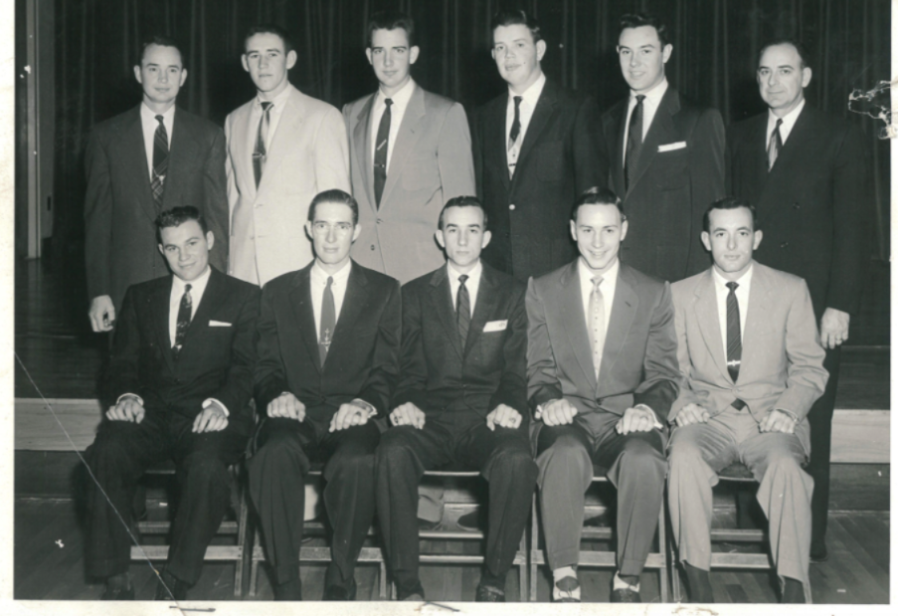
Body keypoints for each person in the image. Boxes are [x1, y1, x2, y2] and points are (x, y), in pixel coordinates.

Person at [728, 39, 867, 561]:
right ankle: (754, 537)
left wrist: (841, 305)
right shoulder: (741, 136)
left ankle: (807, 542)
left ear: (806, 76)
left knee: (812, 419)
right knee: (754, 410)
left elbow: (855, 231)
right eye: (764, 72)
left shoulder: (839, 135)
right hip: (754, 302)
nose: (773, 81)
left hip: (814, 309)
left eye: (784, 71)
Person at [84, 206, 259, 601]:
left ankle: (177, 576)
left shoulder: (244, 297)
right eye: (173, 247)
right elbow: (121, 365)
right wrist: (126, 396)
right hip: (152, 413)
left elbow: (248, 368)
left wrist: (221, 406)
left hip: (210, 416)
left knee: (207, 468)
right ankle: (114, 575)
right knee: (105, 451)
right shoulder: (141, 296)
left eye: (193, 243)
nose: (184, 256)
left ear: (210, 242)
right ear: (161, 251)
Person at [375, 196, 538, 602]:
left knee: (517, 459)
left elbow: (518, 368)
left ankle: (494, 580)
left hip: (488, 419)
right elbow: (406, 370)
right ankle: (407, 585)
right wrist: (406, 400)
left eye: (472, 230)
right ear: (439, 237)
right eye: (452, 230)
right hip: (431, 418)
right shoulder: (413, 294)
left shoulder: (514, 293)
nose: (462, 240)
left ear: (486, 237)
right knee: (392, 451)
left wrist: (509, 403)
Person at [667, 197, 828, 604]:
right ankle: (697, 579)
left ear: (757, 238)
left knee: (786, 467)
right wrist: (681, 402)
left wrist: (789, 410)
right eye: (721, 234)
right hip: (708, 420)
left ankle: (793, 586)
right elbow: (668, 370)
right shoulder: (680, 295)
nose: (732, 245)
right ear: (707, 240)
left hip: (771, 419)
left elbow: (810, 368)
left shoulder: (791, 290)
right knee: (682, 458)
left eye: (742, 233)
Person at [527, 187, 679, 603]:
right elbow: (537, 368)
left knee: (645, 458)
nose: (598, 242)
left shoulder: (654, 292)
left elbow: (664, 372)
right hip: (567, 419)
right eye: (588, 230)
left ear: (624, 230)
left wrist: (647, 407)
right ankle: (563, 571)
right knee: (563, 455)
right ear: (573, 230)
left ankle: (628, 575)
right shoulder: (542, 289)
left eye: (608, 230)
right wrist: (547, 398)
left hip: (625, 417)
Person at [247, 189, 401, 601]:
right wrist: (275, 394)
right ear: (307, 229)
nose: (331, 237)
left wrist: (364, 404)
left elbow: (388, 369)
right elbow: (263, 366)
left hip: (351, 415)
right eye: (321, 225)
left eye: (341, 226)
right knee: (272, 456)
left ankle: (340, 574)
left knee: (358, 460)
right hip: (293, 412)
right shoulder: (277, 291)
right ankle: (286, 583)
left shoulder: (385, 290)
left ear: (356, 231)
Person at [85, 36, 228, 332]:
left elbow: (216, 219)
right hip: (126, 284)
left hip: (189, 279)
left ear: (183, 76)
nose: (163, 79)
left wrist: (216, 289)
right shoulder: (107, 136)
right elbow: (98, 220)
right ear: (138, 73)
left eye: (172, 70)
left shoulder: (208, 136)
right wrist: (99, 291)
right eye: (153, 69)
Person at [472, 10, 606, 281]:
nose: (508, 56)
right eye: (500, 47)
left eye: (519, 45)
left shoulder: (575, 108)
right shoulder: (483, 117)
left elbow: (593, 198)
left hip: (557, 272)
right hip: (498, 273)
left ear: (540, 49)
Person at [343, 11, 476, 285]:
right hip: (362, 268)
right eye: (379, 51)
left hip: (422, 270)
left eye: (398, 50)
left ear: (413, 54)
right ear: (369, 56)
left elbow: (462, 206)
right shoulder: (350, 113)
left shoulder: (445, 114)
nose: (388, 61)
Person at [600, 12, 725, 283]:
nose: (634, 63)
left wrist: (694, 289)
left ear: (666, 53)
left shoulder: (699, 119)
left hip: (674, 279)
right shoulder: (607, 121)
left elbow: (711, 215)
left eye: (645, 51)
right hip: (616, 277)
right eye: (625, 52)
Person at [225, 24, 351, 286]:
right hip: (244, 266)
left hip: (297, 264)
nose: (263, 64)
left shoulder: (322, 116)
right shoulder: (234, 119)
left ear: (290, 59)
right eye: (254, 56)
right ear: (244, 63)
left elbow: (337, 204)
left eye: (272, 54)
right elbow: (233, 198)